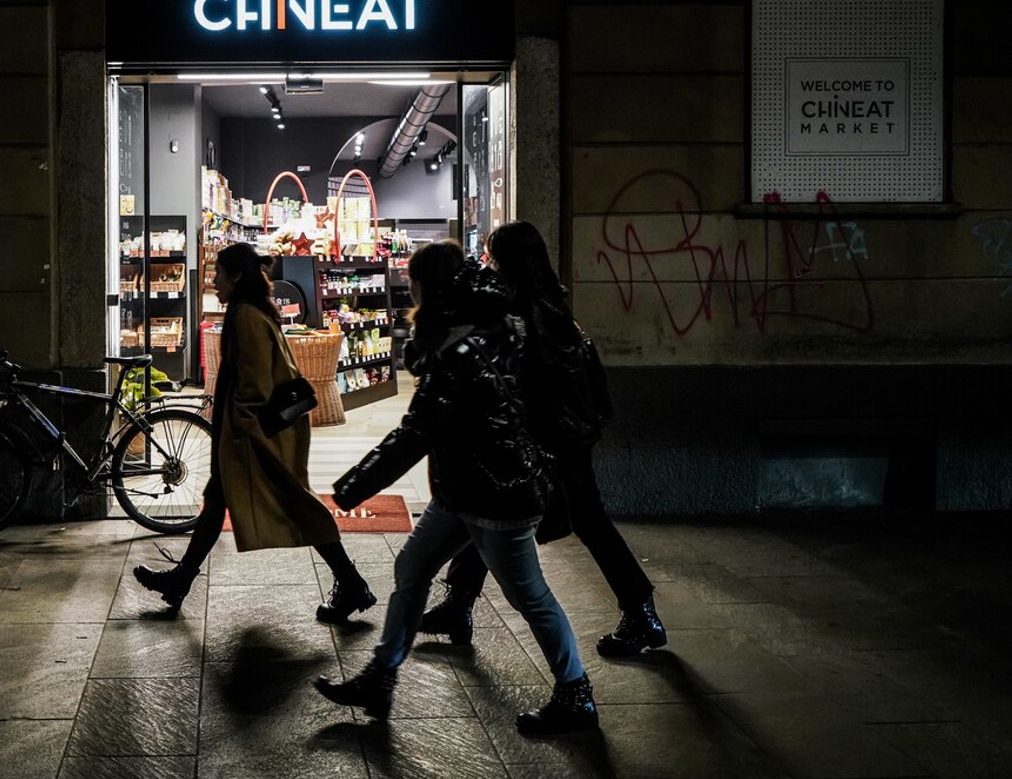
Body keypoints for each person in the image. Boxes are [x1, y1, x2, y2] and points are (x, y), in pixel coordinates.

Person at [315, 240, 598, 735]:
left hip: (497, 495)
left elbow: (415, 434)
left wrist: (351, 488)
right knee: (413, 567)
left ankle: (576, 693)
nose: (409, 292)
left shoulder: (458, 353)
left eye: (413, 283)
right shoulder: (485, 329)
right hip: (466, 489)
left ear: (429, 289)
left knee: (529, 595)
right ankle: (381, 676)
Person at [417, 220, 665, 658]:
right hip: (564, 438)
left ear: (505, 260)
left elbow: (525, 380)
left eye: (492, 256)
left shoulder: (522, 310)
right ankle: (459, 604)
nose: (487, 263)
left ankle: (639, 613)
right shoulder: (552, 302)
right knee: (493, 512)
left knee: (547, 517)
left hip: (546, 440)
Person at [131, 242, 375, 623]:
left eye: (219, 274)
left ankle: (352, 583)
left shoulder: (245, 315)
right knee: (217, 501)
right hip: (256, 433)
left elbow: (255, 384)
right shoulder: (253, 309)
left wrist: (241, 431)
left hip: (258, 436)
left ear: (237, 276)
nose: (214, 281)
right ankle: (181, 580)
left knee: (297, 505)